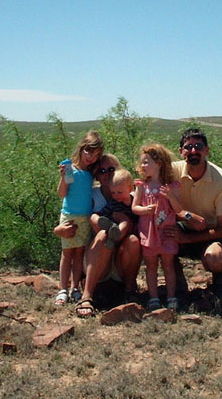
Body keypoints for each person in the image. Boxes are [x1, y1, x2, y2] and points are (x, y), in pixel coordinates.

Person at [55, 153, 142, 318]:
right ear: (96, 174)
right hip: (97, 259)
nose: (107, 173)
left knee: (132, 240)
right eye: (101, 171)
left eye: (111, 169)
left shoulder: (131, 195)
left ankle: (130, 290)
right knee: (102, 234)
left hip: (121, 260)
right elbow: (72, 214)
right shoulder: (91, 194)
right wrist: (58, 230)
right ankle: (87, 295)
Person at [170, 128, 222, 287]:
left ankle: (220, 277)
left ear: (206, 150)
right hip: (184, 226)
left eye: (199, 147)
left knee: (214, 257)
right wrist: (187, 216)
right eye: (188, 147)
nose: (193, 151)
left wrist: (186, 239)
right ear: (181, 151)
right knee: (159, 234)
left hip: (215, 234)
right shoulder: (171, 172)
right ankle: (176, 284)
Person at [131, 143, 183, 311]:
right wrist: (144, 210)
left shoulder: (171, 186)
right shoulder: (142, 186)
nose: (143, 166)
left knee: (168, 265)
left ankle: (171, 296)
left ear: (159, 163)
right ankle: (153, 297)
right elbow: (134, 207)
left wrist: (169, 196)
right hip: (149, 232)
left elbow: (178, 209)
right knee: (151, 265)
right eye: (142, 162)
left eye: (146, 162)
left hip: (166, 232)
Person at [54, 131, 103, 306]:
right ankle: (62, 289)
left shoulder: (90, 173)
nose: (91, 157)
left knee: (79, 252)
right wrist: (63, 178)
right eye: (89, 152)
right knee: (67, 253)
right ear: (81, 149)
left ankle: (75, 288)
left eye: (96, 154)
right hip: (69, 215)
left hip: (85, 216)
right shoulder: (70, 170)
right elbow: (62, 194)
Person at [91, 168, 135, 249]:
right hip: (110, 225)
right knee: (93, 216)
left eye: (119, 192)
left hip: (124, 232)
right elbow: (104, 213)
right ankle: (111, 230)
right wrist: (98, 217)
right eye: (113, 193)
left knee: (125, 222)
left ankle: (114, 237)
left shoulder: (134, 202)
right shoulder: (113, 202)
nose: (116, 195)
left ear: (130, 188)